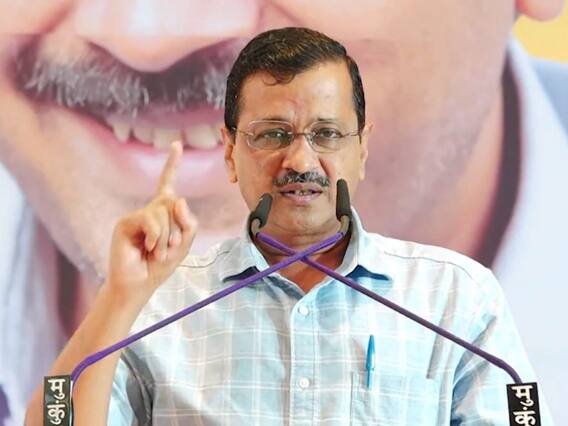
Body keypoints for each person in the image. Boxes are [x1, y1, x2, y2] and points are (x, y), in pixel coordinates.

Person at [1, 0, 567, 424]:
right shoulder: (156, 307)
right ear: (230, 152)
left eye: (326, 135)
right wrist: (119, 299)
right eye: (271, 135)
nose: (299, 161)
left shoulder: (458, 298)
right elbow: (56, 417)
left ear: (361, 147)